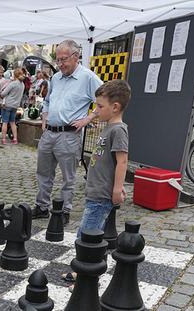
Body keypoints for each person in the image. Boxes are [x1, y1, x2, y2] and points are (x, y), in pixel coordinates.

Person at [62, 80, 130, 283]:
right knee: (87, 234)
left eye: (100, 106)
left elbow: (122, 160)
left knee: (87, 239)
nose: (96, 110)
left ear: (115, 107)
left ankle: (85, 276)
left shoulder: (118, 130)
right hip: (95, 192)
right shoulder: (109, 127)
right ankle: (88, 269)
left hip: (101, 195)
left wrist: (118, 188)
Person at [34, 39, 103, 223]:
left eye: (64, 59)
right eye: (58, 60)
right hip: (49, 132)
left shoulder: (88, 77)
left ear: (76, 56)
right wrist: (44, 115)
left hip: (69, 134)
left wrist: (88, 118)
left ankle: (64, 211)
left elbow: (106, 99)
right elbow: (47, 100)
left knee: (68, 177)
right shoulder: (56, 78)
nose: (60, 64)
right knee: (43, 173)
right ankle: (41, 206)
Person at [0, 68, 25, 145]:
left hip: (8, 105)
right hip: (15, 106)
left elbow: (3, 94)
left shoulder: (13, 84)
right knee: (13, 122)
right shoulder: (22, 84)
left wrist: (0, 93)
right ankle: (15, 139)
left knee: (5, 122)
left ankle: (3, 139)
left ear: (14, 75)